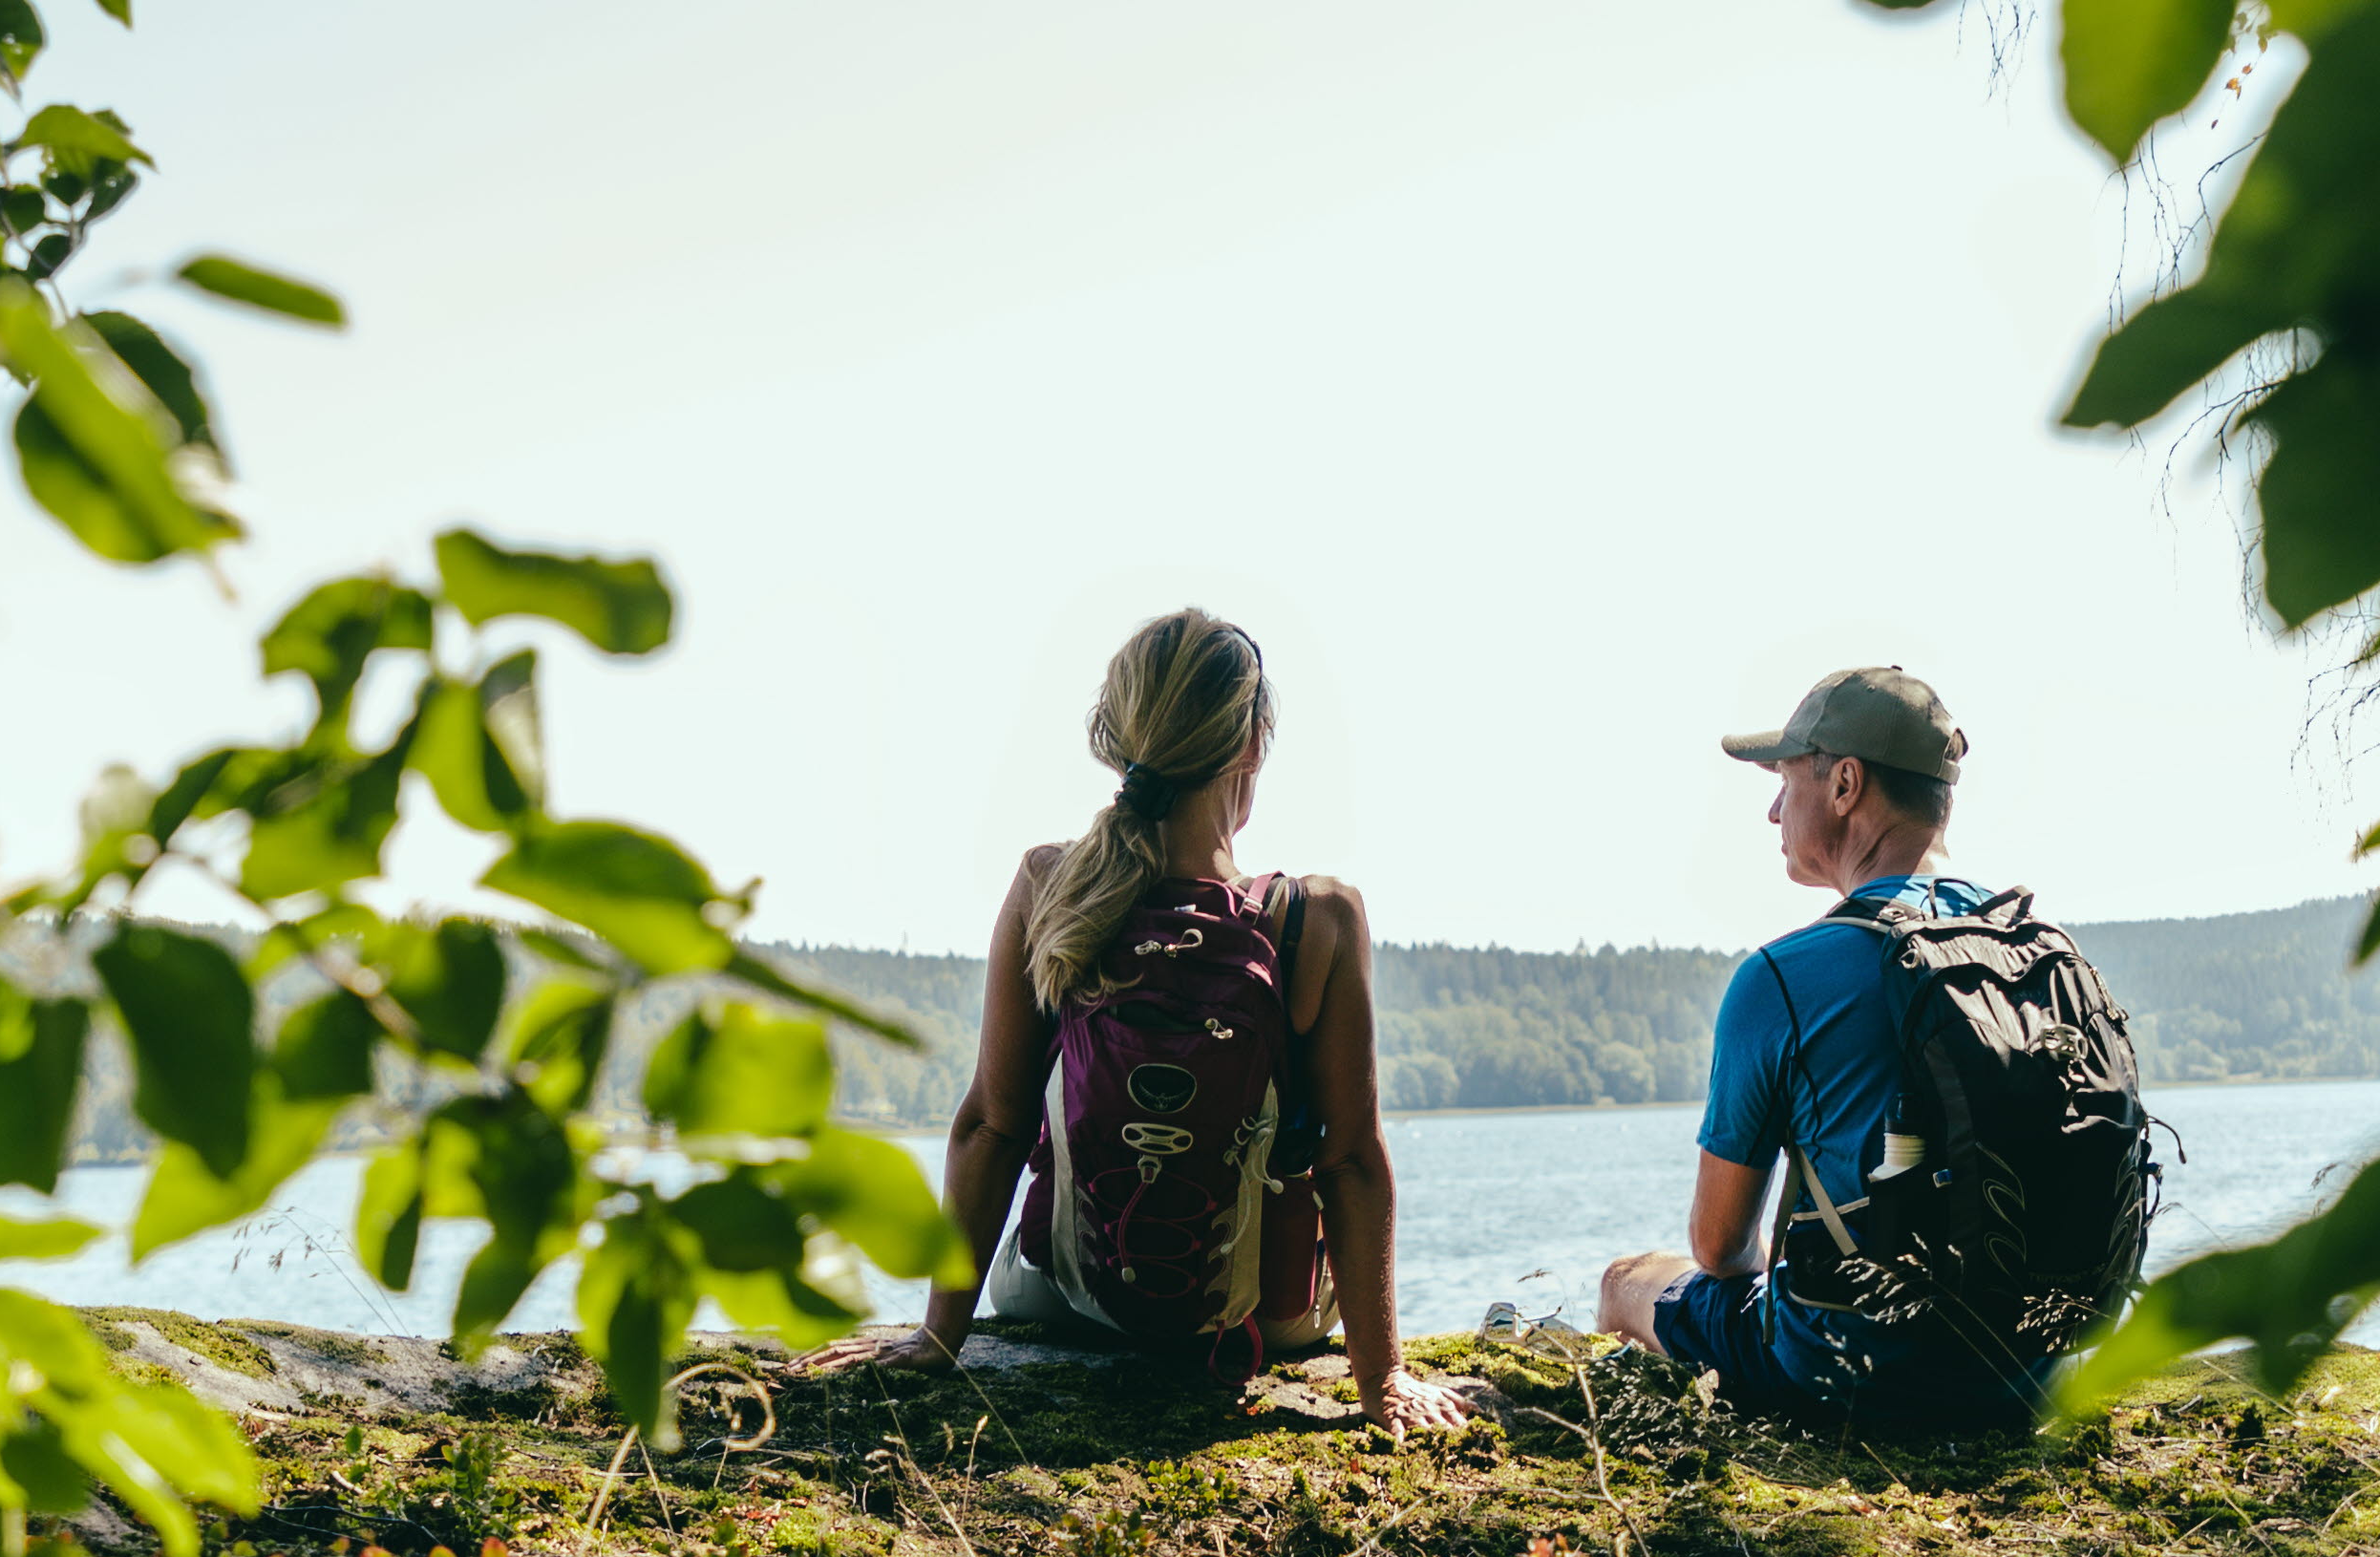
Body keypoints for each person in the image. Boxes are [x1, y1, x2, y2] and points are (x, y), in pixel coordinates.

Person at [814, 608, 1479, 1433]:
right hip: (1260, 1316)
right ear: (1252, 744)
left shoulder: (1050, 886)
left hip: (1072, 1296)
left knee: (1030, 1257)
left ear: (1117, 733)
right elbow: (1350, 1160)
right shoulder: (1315, 919)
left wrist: (939, 1335)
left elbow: (993, 1123)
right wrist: (1384, 1383)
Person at [1594, 664, 2155, 1436]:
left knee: (1627, 1282)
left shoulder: (1779, 978)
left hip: (1847, 1376)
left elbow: (1721, 1248)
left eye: (1785, 778)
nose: (1771, 811)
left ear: (1845, 783)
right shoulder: (2042, 950)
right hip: (2038, 1373)